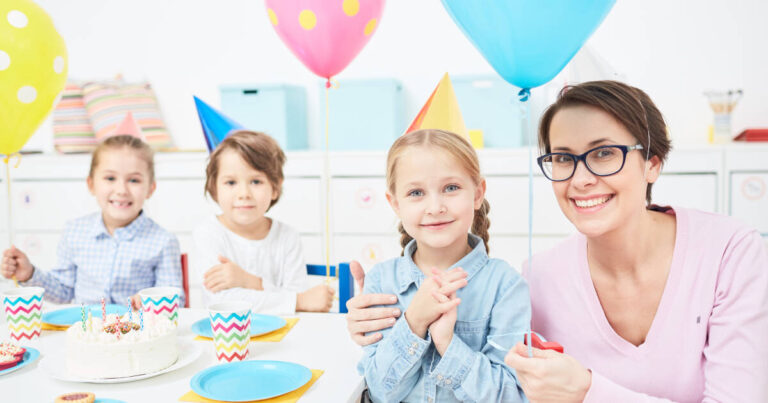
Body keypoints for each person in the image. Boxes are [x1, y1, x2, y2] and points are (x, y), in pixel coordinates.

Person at [347, 81, 768, 402]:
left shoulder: (731, 254)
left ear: (652, 163)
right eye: (563, 158)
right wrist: (400, 325)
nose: (581, 178)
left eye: (604, 153)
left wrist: (588, 390)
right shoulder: (540, 277)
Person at [358, 129, 529, 402]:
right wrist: (414, 322)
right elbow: (381, 391)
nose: (435, 207)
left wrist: (448, 344)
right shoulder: (381, 281)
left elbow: (511, 395)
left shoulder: (506, 286)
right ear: (395, 204)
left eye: (451, 188)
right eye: (416, 192)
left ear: (477, 193)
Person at [1, 135, 183, 308]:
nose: (121, 190)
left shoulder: (163, 241)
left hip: (135, 334)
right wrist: (29, 274)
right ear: (91, 184)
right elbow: (62, 292)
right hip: (86, 333)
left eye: (134, 180)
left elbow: (175, 300)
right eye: (110, 178)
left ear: (150, 189)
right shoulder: (74, 232)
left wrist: (152, 302)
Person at [191, 130, 334, 314]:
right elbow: (221, 302)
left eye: (256, 181)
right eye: (231, 182)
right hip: (227, 338)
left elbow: (299, 301)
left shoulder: (287, 237)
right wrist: (296, 301)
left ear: (275, 187)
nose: (243, 193)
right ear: (214, 188)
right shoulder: (208, 233)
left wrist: (249, 281)